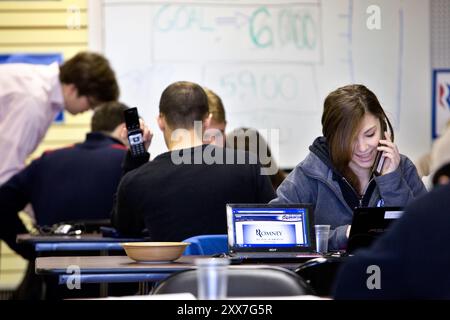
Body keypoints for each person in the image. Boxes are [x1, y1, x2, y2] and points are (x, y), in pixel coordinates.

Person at [112, 81, 275, 241]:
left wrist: (135, 158)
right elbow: (275, 224)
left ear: (160, 121)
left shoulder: (137, 180)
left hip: (172, 269)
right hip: (236, 268)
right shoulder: (247, 165)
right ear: (207, 120)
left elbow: (124, 228)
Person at [270, 84, 427, 251]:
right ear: (333, 139)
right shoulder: (311, 172)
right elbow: (275, 231)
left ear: (383, 127)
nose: (362, 147)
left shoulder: (403, 168)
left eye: (370, 134)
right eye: (350, 139)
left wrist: (392, 181)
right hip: (328, 275)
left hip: (391, 273)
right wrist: (342, 236)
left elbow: (425, 233)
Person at [0, 101, 128, 256]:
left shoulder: (46, 160)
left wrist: (31, 250)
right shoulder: (129, 164)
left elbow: (2, 203)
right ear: (125, 130)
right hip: (117, 273)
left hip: (53, 274)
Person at [0, 51, 119, 185]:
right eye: (91, 104)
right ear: (72, 89)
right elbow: (5, 172)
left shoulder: (41, 88)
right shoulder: (34, 102)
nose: (88, 110)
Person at [332, 183, 450, 299]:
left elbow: (415, 224)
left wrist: (391, 178)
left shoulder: (404, 170)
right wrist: (343, 233)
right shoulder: (316, 170)